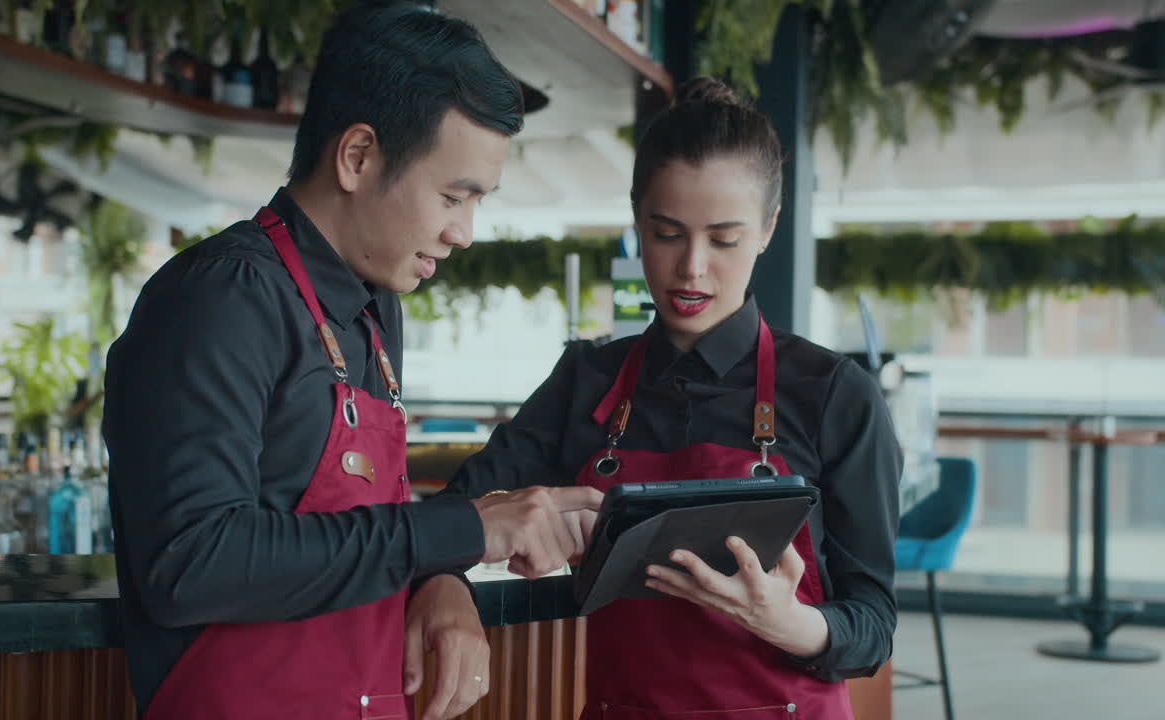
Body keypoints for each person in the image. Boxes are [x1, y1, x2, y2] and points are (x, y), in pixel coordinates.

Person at [102, 3, 601, 719]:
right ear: (358, 156)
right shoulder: (222, 296)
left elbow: (362, 540)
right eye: (453, 196)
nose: (464, 232)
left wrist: (438, 580)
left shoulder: (374, 306)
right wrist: (464, 529)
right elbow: (193, 563)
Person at [439, 77, 903, 719]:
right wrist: (451, 581)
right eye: (666, 233)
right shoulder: (587, 379)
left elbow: (872, 626)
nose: (691, 268)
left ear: (768, 228)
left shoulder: (832, 395)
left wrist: (785, 621)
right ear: (637, 222)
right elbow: (458, 510)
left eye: (724, 239)